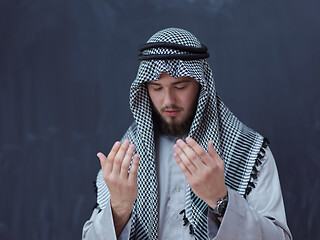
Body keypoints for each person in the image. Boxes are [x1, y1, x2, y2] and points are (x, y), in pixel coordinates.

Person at [82, 28, 292, 240]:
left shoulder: (247, 151)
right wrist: (119, 209)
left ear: (202, 86)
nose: (168, 101)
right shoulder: (125, 157)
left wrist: (221, 200)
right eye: (156, 88)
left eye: (180, 87)